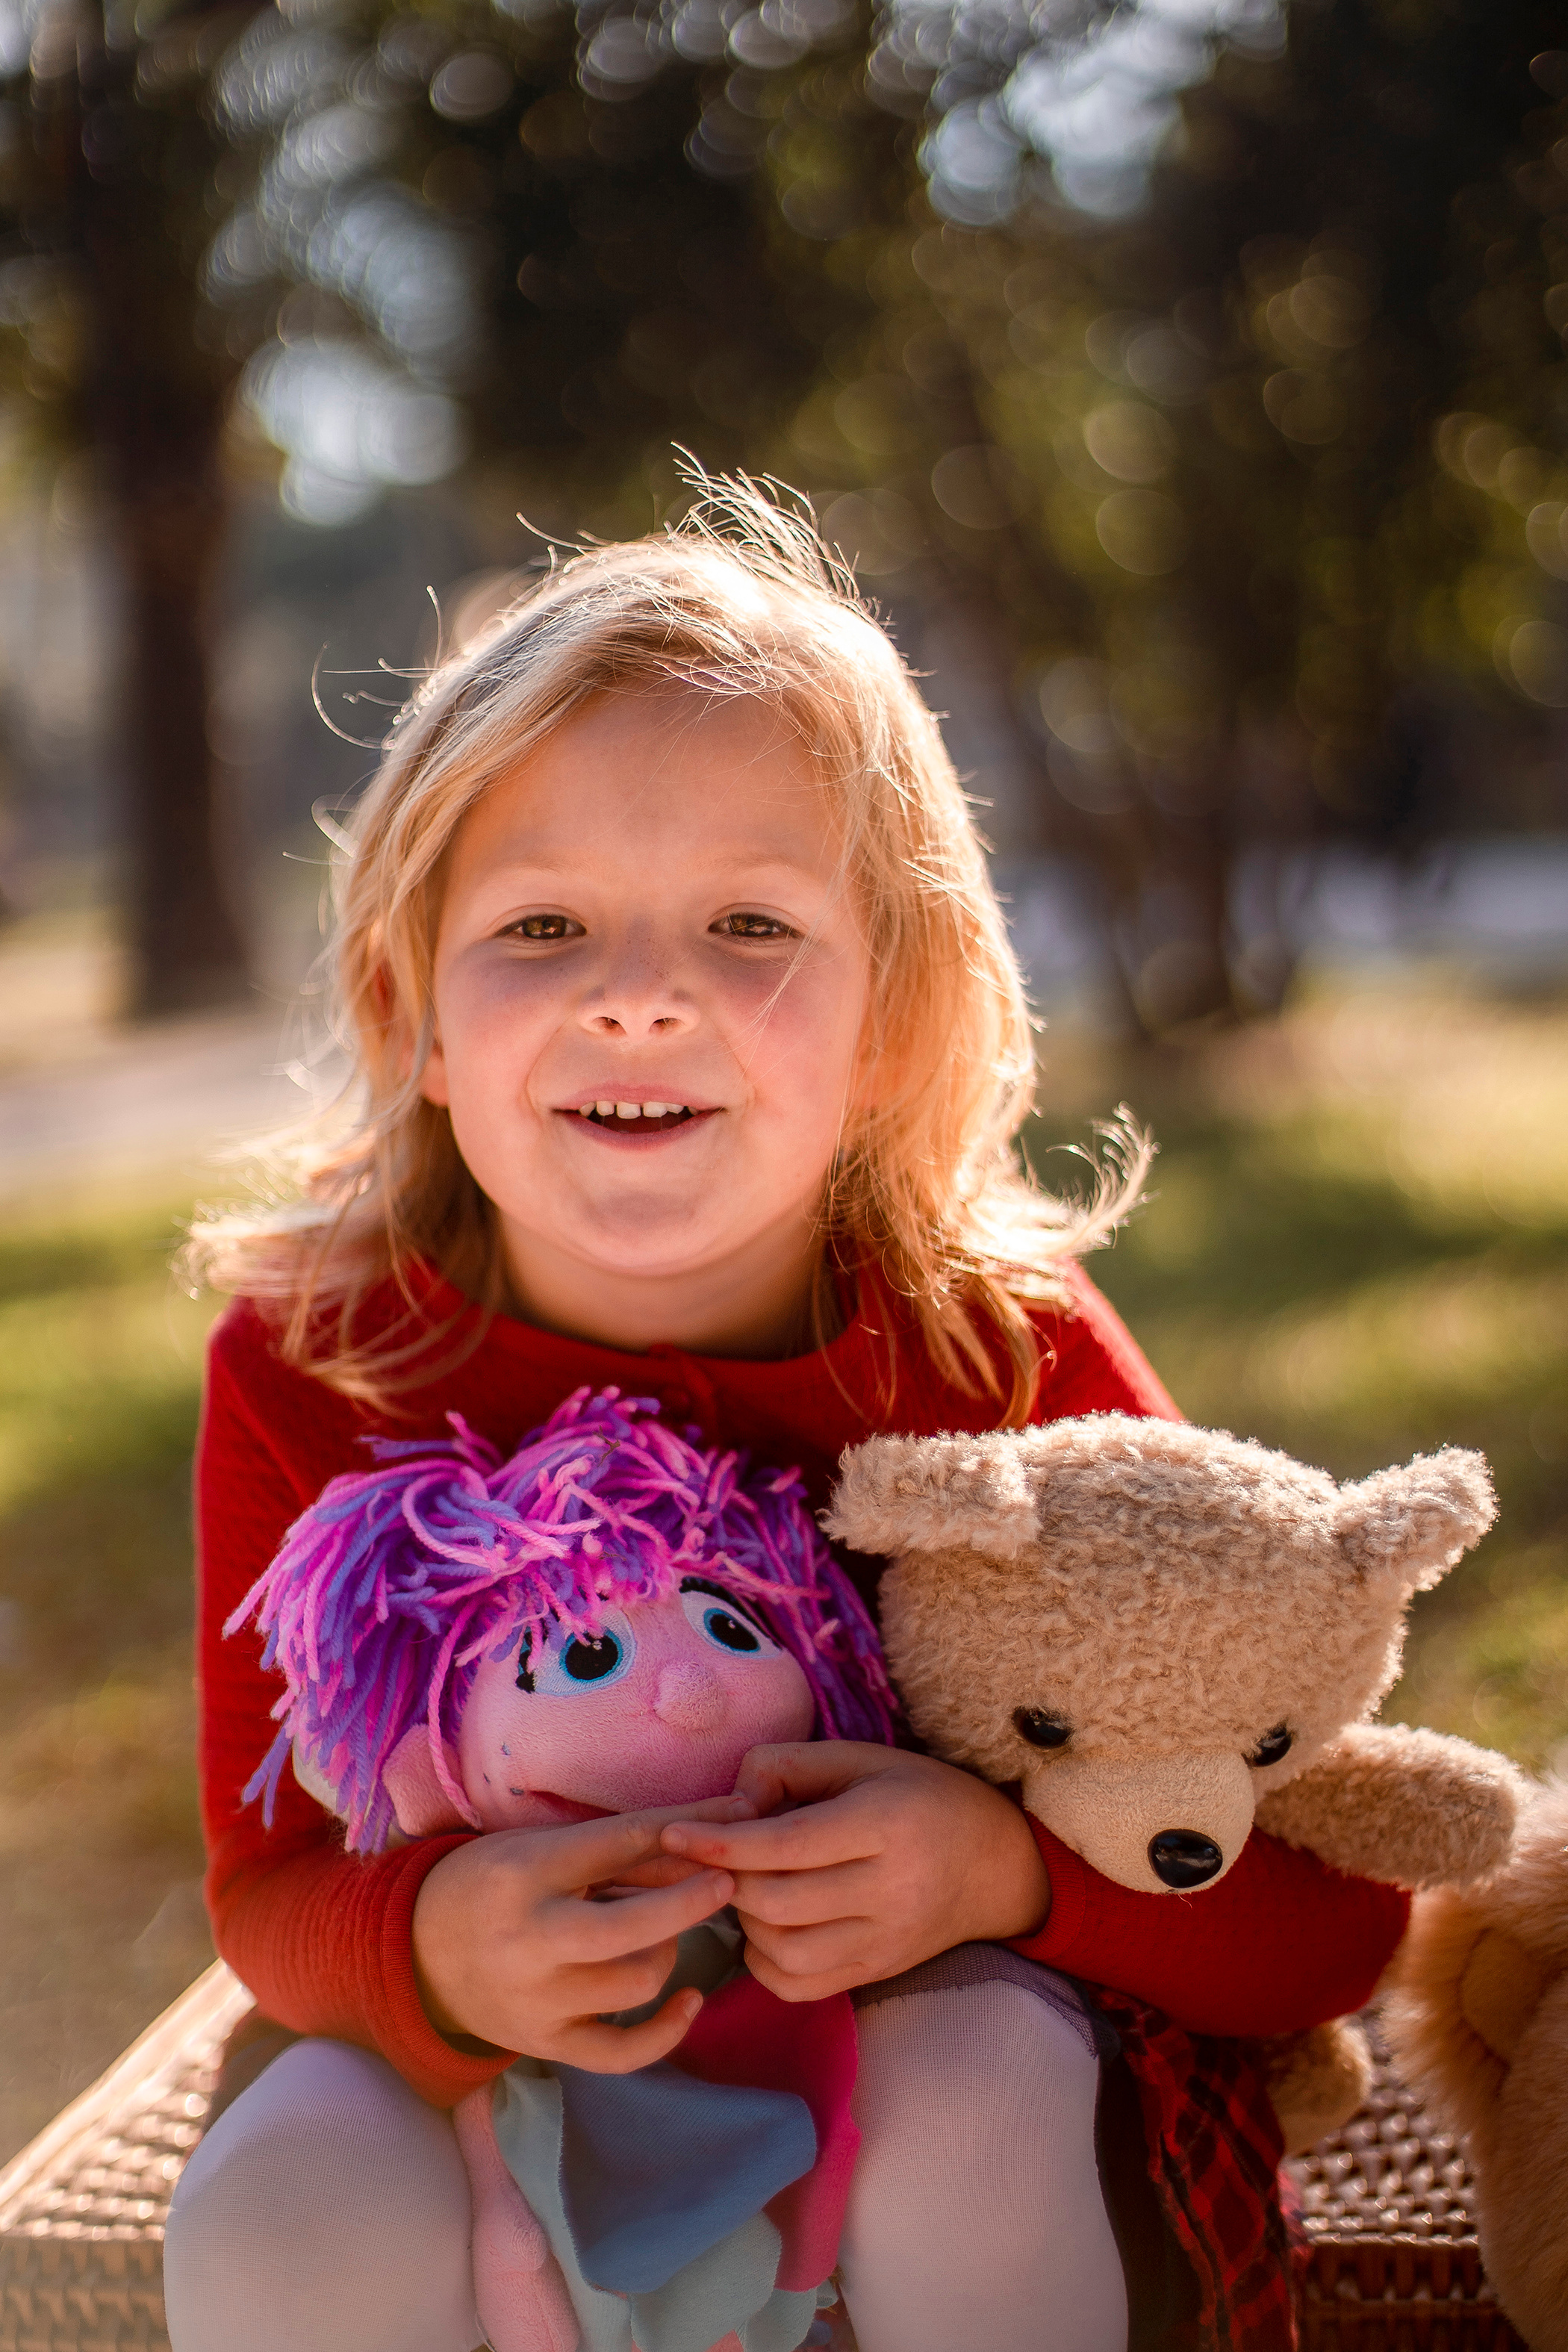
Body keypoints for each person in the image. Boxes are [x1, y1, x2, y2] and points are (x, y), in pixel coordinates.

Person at [165, 477, 1407, 2352]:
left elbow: (1330, 1920)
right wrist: (425, 1944)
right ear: (409, 1006)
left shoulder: (998, 1350)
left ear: (893, 1020)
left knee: (972, 2088)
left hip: (945, 2039)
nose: (644, 998)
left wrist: (1001, 1871)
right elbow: (264, 1889)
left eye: (750, 925)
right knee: (281, 2205)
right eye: (543, 927)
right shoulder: (319, 1361)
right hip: (491, 2069)